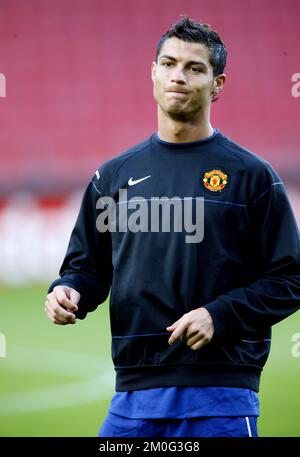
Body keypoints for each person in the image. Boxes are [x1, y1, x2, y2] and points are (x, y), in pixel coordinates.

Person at [45, 16, 300, 437]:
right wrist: (67, 290)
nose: (177, 76)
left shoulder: (251, 176)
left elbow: (290, 277)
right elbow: (87, 268)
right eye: (168, 63)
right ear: (153, 72)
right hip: (131, 399)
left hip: (221, 395)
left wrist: (221, 315)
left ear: (218, 84)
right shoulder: (113, 177)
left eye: (194, 68)